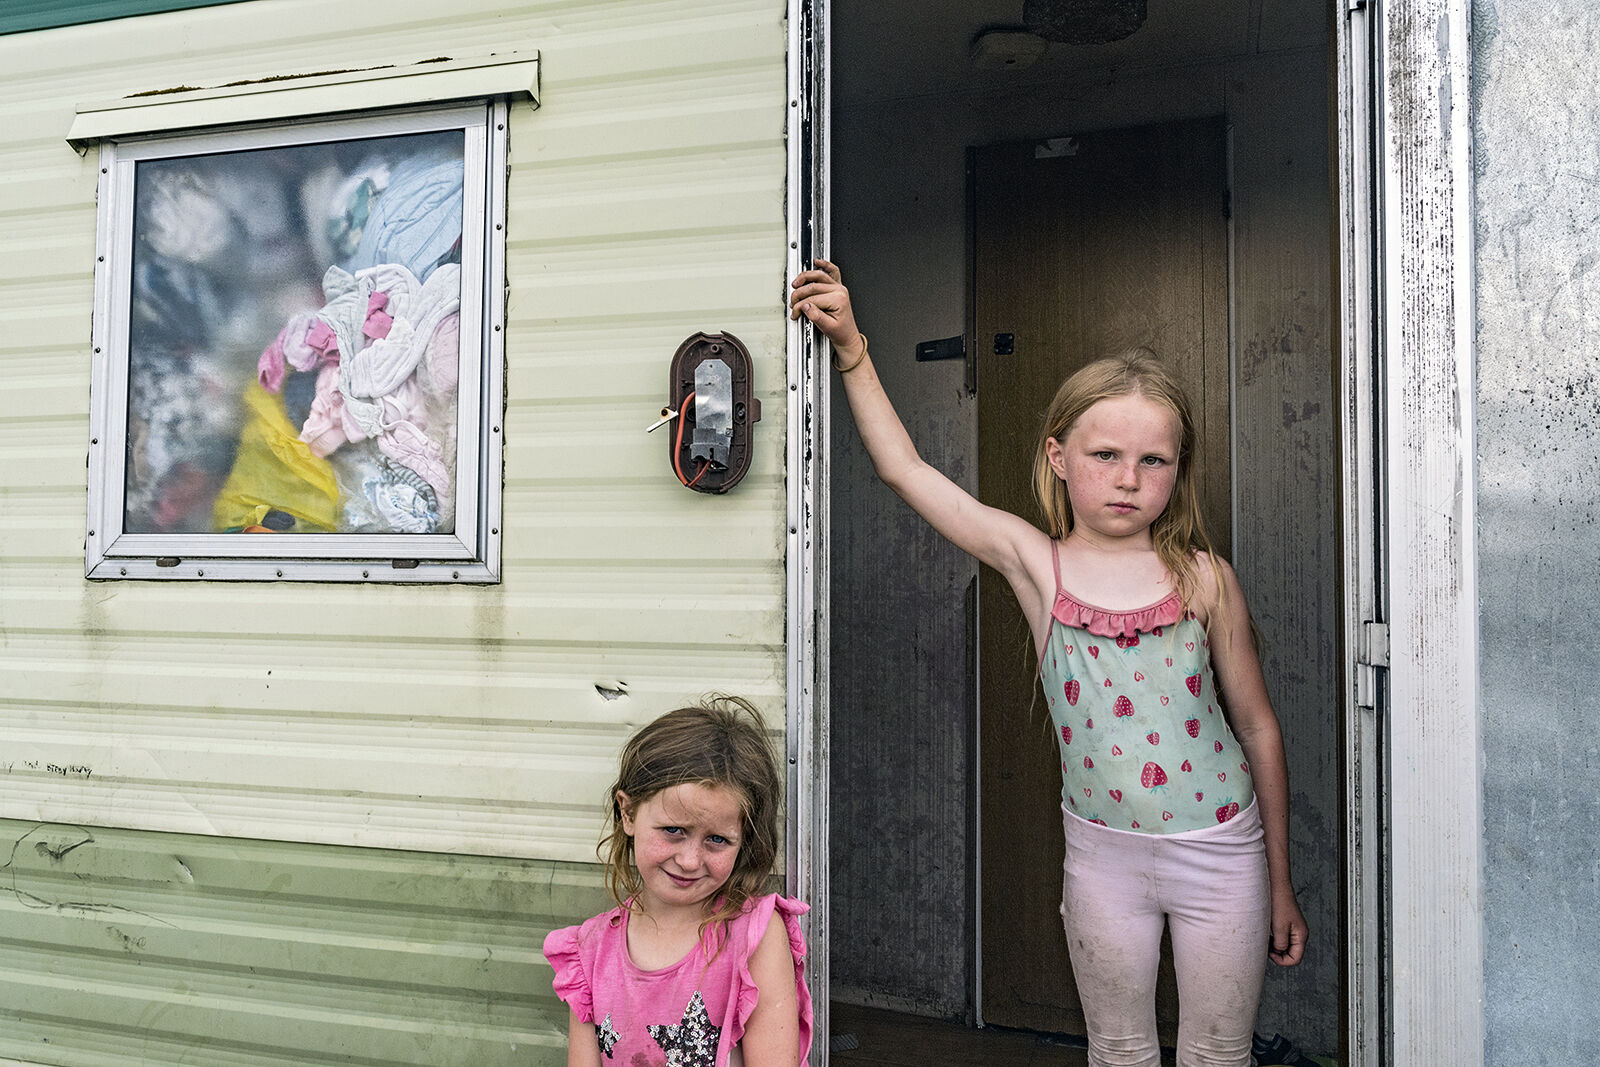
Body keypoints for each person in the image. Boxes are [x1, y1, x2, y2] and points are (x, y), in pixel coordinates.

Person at [790, 260, 1307, 1067]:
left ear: (1179, 468)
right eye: (1105, 455)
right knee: (1121, 1050)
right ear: (1059, 456)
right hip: (1103, 856)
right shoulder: (1039, 565)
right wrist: (853, 348)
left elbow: (1258, 727)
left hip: (1222, 850)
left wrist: (1279, 881)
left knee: (1217, 1053)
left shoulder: (1206, 577)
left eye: (1154, 461)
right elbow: (907, 470)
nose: (1129, 479)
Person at [542, 697, 812, 1067]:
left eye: (717, 839)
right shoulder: (589, 952)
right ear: (629, 812)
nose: (689, 861)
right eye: (673, 830)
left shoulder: (754, 935)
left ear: (744, 839)